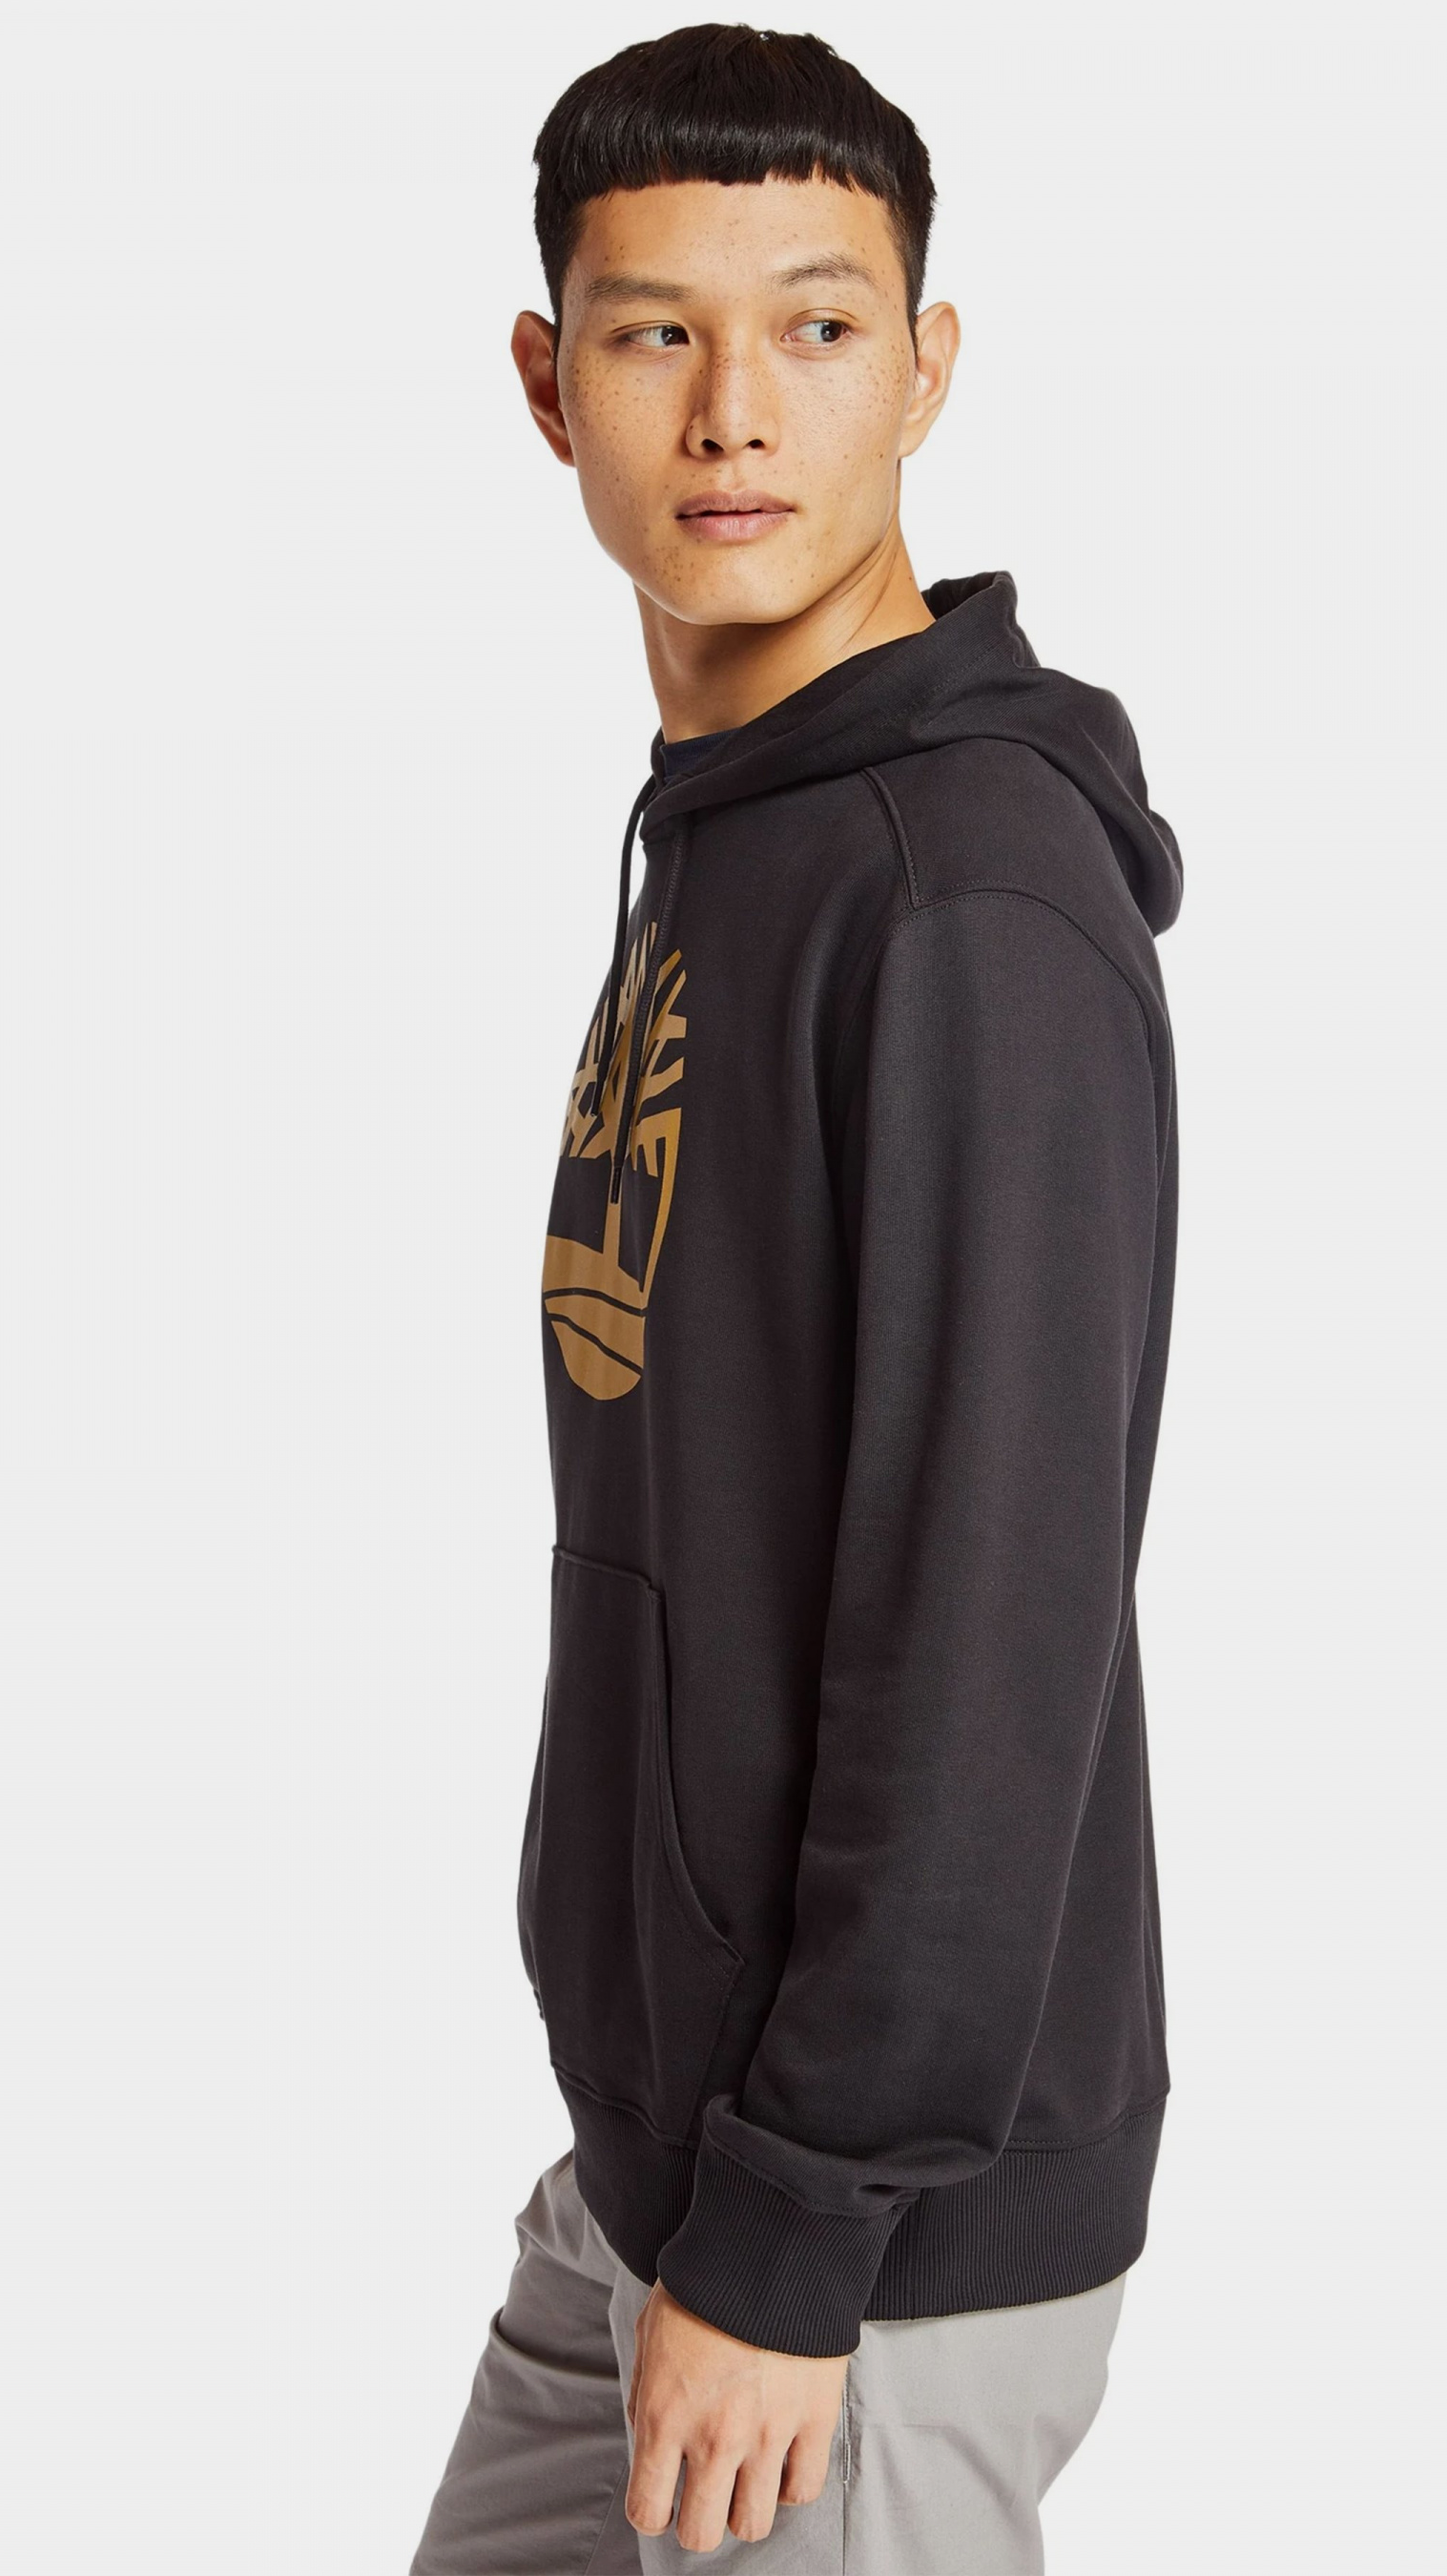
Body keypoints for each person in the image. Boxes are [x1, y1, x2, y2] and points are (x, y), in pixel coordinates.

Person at [410, 23, 1185, 2575]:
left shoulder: (960, 897)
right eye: (655, 331)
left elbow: (989, 1620)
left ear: (923, 367)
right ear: (549, 384)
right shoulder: (735, 836)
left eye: (818, 326)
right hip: (661, 2160)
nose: (734, 409)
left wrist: (796, 2221)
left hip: (848, 2249)